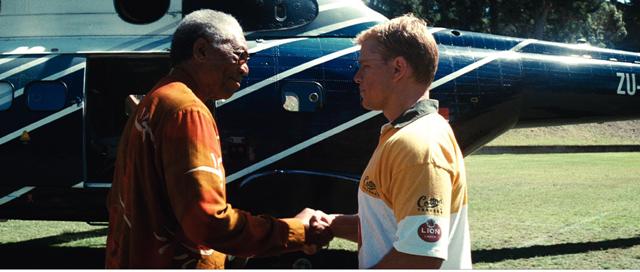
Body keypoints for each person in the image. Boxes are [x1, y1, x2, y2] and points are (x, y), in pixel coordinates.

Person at [105, 9, 331, 269]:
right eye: (240, 56)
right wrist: (297, 231)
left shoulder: (154, 101)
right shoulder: (188, 111)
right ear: (201, 51)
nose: (246, 69)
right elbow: (209, 222)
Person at [325, 14, 471, 269]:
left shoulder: (418, 143)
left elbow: (421, 257)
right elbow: (389, 225)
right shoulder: (403, 134)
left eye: (366, 66)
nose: (357, 77)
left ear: (398, 69)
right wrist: (332, 224)